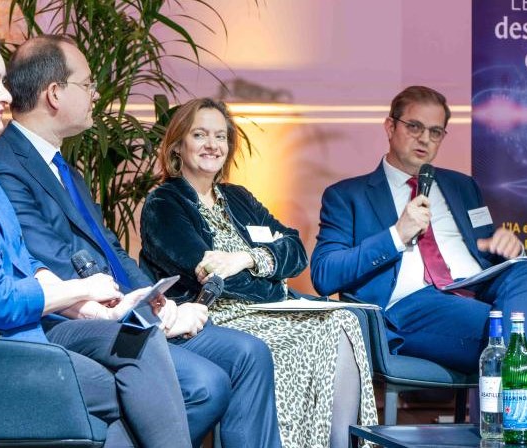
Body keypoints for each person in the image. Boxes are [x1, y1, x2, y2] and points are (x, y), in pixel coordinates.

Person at [0, 25, 191, 448]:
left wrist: (89, 307)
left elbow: (24, 263)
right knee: (114, 374)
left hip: (4, 332)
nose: (6, 96)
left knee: (134, 341)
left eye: (2, 82)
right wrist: (81, 287)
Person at [0, 36, 281, 448]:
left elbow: (112, 249)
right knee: (206, 383)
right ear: (54, 94)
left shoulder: (61, 166)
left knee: (251, 354)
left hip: (128, 309)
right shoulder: (4, 166)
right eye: (86, 85)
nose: (95, 95)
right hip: (76, 321)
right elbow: (53, 263)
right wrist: (147, 314)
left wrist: (157, 300)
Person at [139, 97, 378, 448]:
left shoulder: (237, 197)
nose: (212, 145)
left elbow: (296, 250)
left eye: (220, 137)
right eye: (200, 135)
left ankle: (336, 444)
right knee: (317, 334)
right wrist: (271, 275)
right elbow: (211, 275)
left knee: (343, 320)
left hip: (265, 311)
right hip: (210, 317)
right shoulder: (164, 203)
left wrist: (246, 259)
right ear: (178, 146)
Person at [310, 85, 527, 384]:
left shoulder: (463, 187)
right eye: (414, 127)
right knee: (509, 327)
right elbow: (324, 274)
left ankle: (518, 398)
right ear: (390, 126)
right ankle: (526, 398)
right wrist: (397, 235)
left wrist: (502, 248)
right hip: (411, 306)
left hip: (475, 288)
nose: (425, 139)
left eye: (436, 132)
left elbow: (481, 249)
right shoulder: (348, 196)